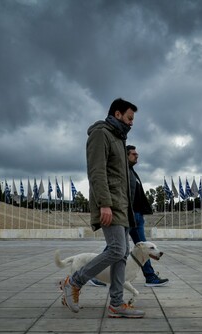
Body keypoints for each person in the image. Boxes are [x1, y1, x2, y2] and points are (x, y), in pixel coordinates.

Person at [61, 98, 145, 318]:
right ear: (117, 114)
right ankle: (74, 282)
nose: (132, 123)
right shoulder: (101, 134)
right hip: (111, 205)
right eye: (129, 118)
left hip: (123, 207)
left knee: (122, 255)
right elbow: (97, 172)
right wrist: (104, 204)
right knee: (117, 249)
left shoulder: (118, 139)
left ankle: (116, 303)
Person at [127, 145, 169, 286]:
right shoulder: (124, 172)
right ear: (125, 156)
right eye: (133, 154)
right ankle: (95, 275)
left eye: (137, 153)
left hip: (138, 216)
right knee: (113, 248)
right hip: (129, 215)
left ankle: (150, 277)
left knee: (145, 249)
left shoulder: (133, 173)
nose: (136, 155)